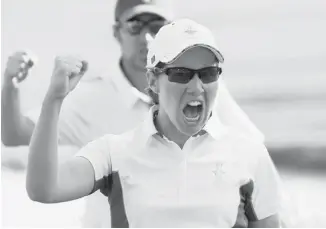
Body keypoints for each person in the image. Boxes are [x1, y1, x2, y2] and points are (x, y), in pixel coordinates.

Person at [2, 0, 264, 227]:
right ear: (117, 32)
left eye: (156, 26)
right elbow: (14, 135)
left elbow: (254, 158)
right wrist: (12, 87)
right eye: (135, 25)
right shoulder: (92, 97)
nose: (147, 37)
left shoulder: (203, 89)